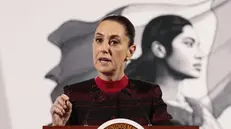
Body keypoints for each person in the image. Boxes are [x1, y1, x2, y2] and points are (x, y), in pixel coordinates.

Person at [50, 15, 173, 126]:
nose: (103, 48)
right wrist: (58, 126)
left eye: (114, 42)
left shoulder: (149, 94)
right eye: (99, 40)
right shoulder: (74, 95)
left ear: (130, 51)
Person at [125, 15, 221, 129]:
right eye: (189, 44)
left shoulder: (198, 111)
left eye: (197, 46)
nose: (199, 55)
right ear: (160, 49)